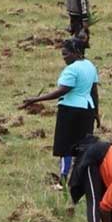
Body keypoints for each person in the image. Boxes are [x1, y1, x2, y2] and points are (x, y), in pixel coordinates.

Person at [21, 38, 99, 185]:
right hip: (87, 110)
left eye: (66, 54)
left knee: (66, 147)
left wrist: (35, 99)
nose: (64, 58)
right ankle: (82, 180)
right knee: (83, 147)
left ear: (76, 52)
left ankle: (63, 180)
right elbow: (94, 92)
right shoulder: (90, 66)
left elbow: (63, 90)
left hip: (70, 111)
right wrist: (96, 113)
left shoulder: (72, 69)